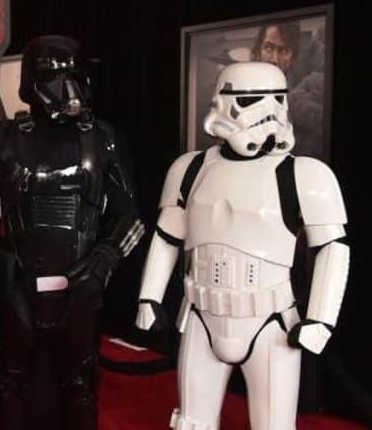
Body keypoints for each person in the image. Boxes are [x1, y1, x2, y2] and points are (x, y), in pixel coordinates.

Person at [135, 62, 349, 429]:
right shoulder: (189, 168)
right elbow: (167, 236)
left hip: (270, 323)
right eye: (251, 99)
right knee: (191, 423)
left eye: (278, 99)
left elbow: (332, 247)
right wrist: (148, 297)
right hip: (203, 316)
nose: (268, 112)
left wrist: (321, 320)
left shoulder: (305, 175)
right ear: (222, 102)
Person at [0, 35, 144, 429]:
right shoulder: (4, 138)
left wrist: (104, 259)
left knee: (80, 386)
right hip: (18, 283)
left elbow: (130, 217)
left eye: (75, 75)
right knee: (8, 384)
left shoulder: (103, 138)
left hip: (80, 283)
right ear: (32, 82)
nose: (68, 88)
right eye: (54, 76)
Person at [251, 22, 325, 158]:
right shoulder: (244, 89)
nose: (273, 59)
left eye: (283, 51)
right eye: (268, 48)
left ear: (292, 58)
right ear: (258, 50)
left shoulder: (300, 100)